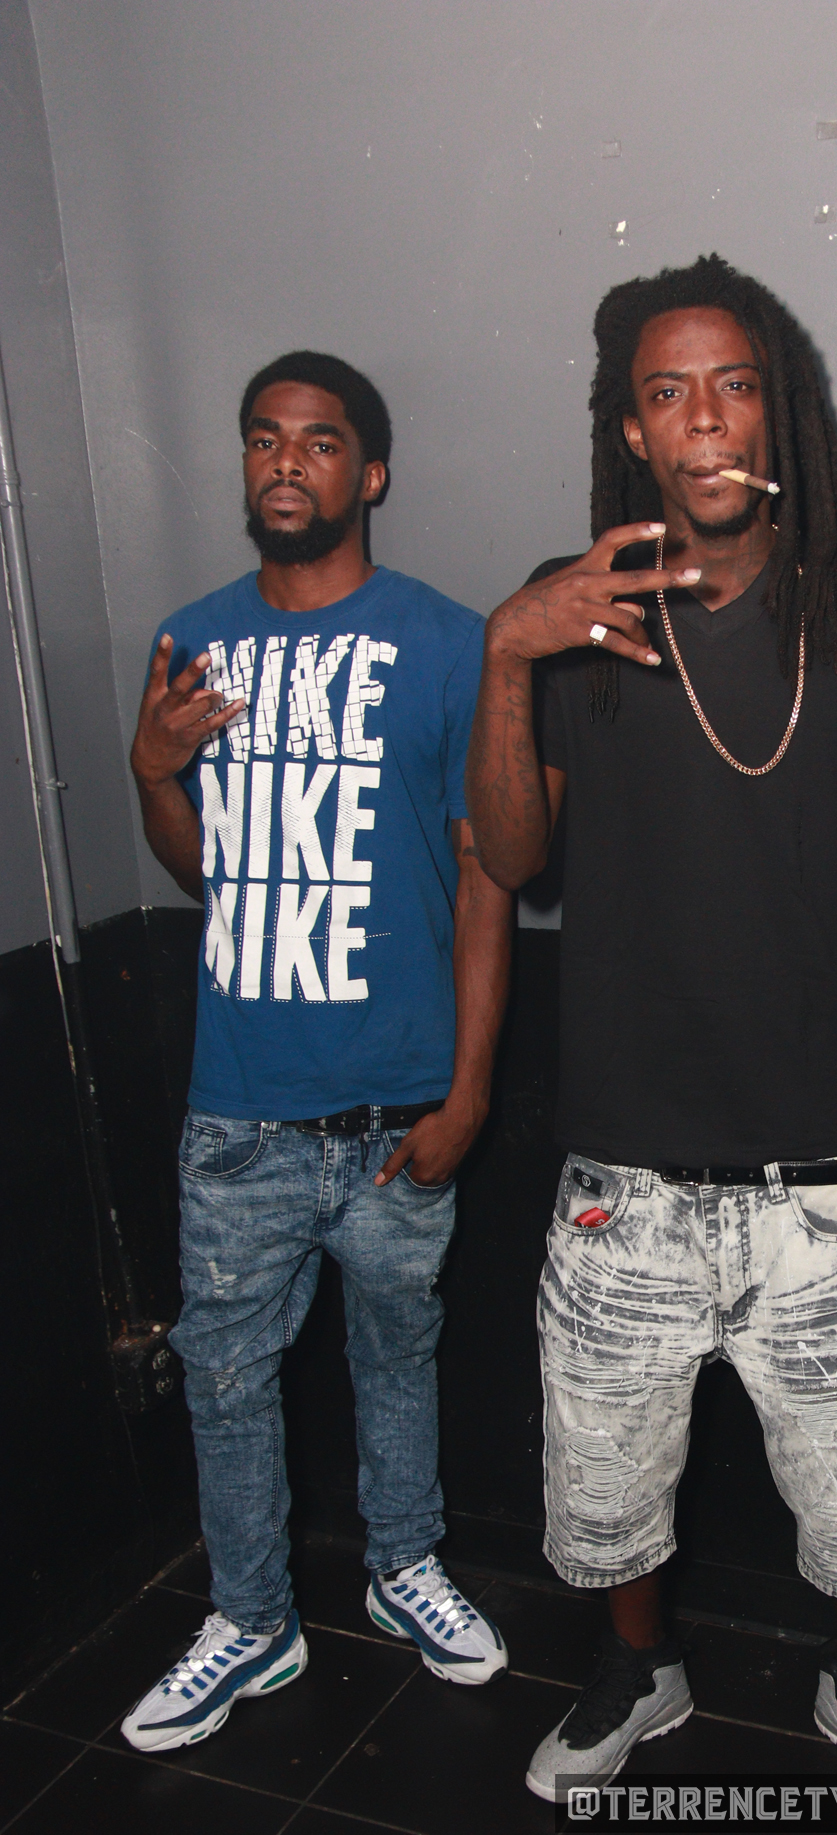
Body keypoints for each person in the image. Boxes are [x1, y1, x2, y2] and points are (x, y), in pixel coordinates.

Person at [467, 254, 837, 1807]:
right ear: (630, 430)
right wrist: (509, 650)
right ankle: (639, 1669)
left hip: (820, 1163)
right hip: (620, 1165)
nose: (703, 420)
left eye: (733, 386)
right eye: (668, 392)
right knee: (610, 1483)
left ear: (779, 413)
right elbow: (513, 858)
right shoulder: (572, 614)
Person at [121, 350, 512, 1752]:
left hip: (399, 1103)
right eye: (263, 438)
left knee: (399, 1354)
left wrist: (470, 1090)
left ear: (371, 472)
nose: (286, 460)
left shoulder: (449, 643)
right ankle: (251, 1618)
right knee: (225, 1379)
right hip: (241, 1107)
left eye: (320, 440)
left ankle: (404, 1564)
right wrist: (152, 769)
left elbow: (487, 883)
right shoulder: (191, 641)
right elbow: (205, 871)